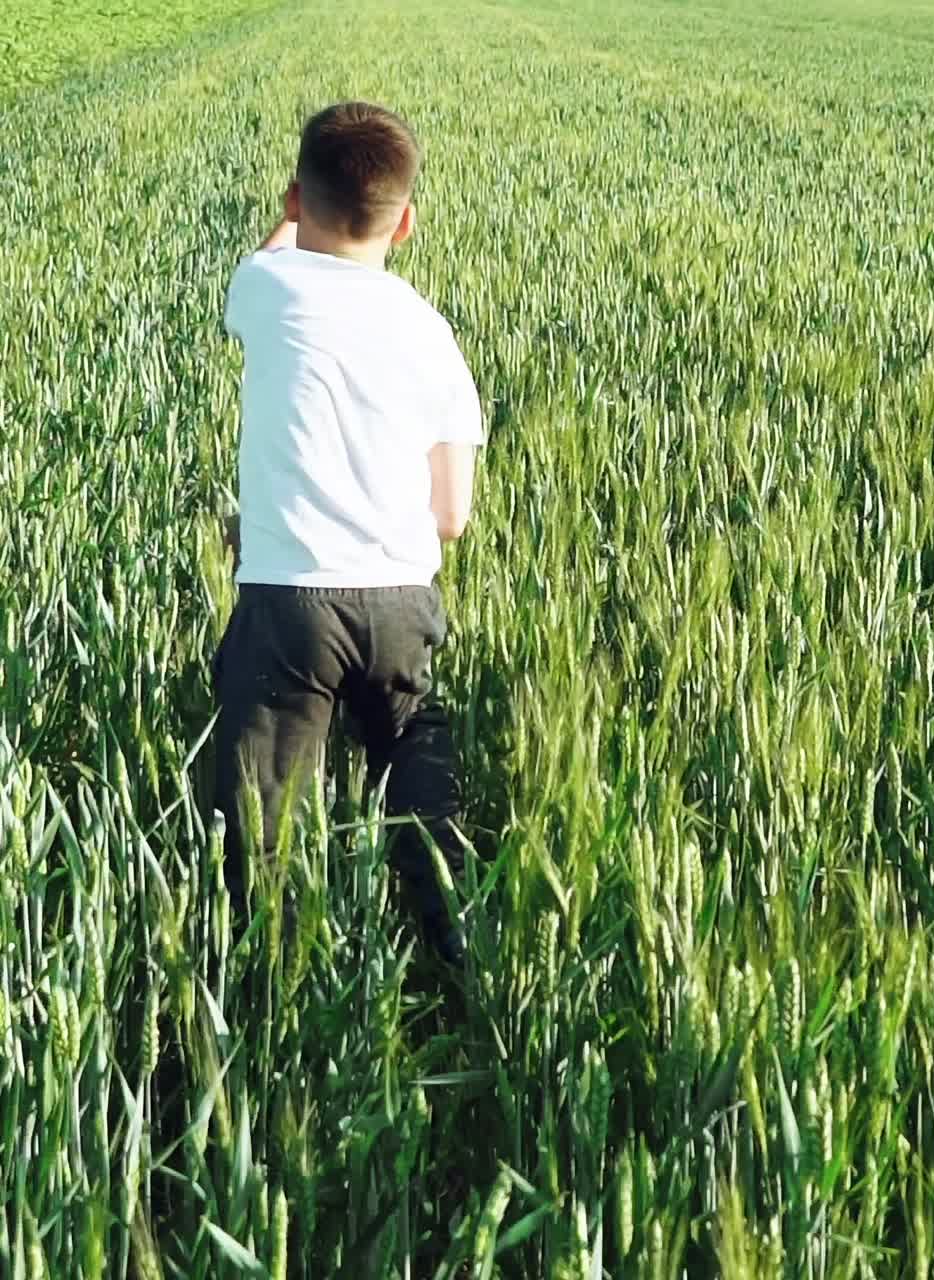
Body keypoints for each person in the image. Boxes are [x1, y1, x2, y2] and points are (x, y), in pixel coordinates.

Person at [213, 101, 484, 965]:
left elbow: (265, 257)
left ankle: (275, 968)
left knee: (266, 799)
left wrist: (289, 217)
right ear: (407, 225)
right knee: (409, 735)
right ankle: (446, 929)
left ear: (296, 201)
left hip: (290, 603)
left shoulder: (268, 288)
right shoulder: (433, 333)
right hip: (401, 596)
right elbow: (452, 515)